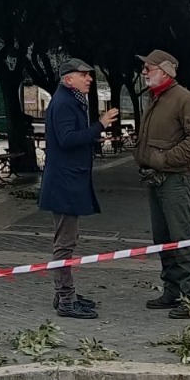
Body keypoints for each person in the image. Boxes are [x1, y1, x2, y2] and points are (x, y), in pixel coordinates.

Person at [38, 57, 119, 319]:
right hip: (64, 183)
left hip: (70, 179)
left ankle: (64, 292)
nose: (89, 79)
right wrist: (100, 125)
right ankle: (65, 299)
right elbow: (67, 138)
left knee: (68, 240)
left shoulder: (71, 100)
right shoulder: (63, 103)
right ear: (68, 78)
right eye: (84, 75)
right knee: (65, 243)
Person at [133, 49, 190, 318]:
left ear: (165, 71)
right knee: (164, 239)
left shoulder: (184, 99)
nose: (144, 72)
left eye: (149, 68)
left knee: (182, 238)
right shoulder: (156, 98)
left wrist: (164, 159)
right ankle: (173, 290)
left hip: (175, 180)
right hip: (155, 179)